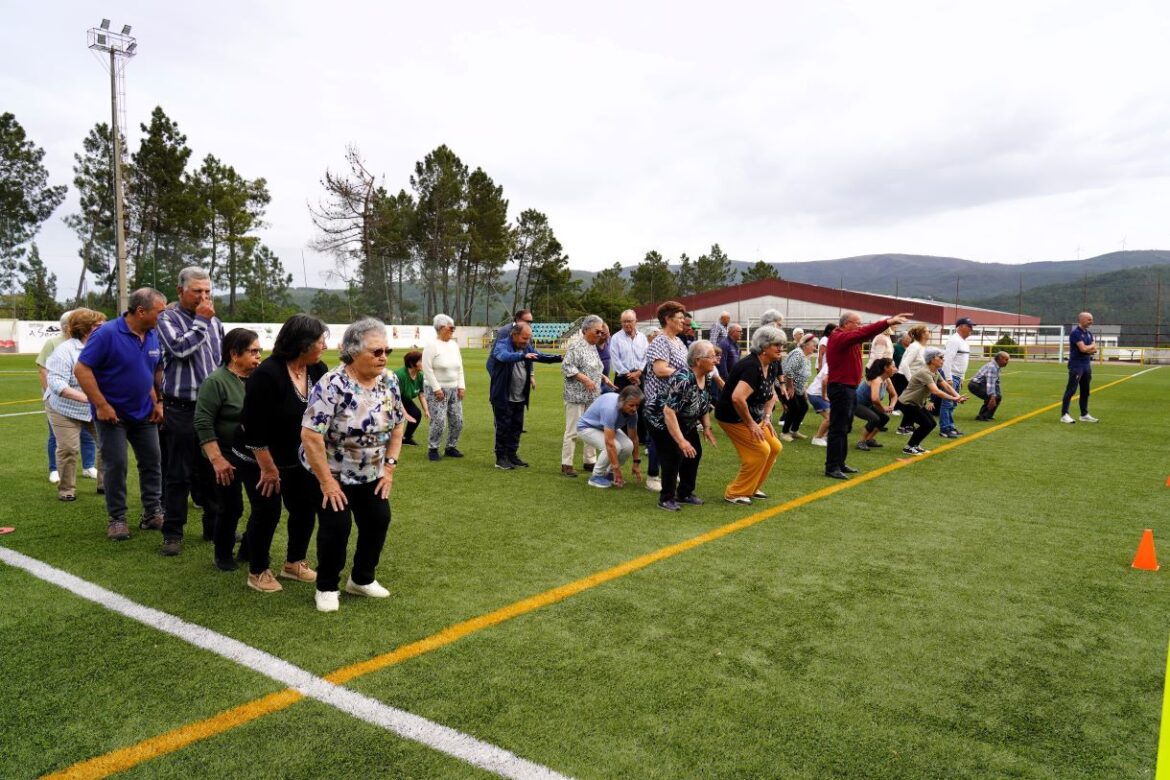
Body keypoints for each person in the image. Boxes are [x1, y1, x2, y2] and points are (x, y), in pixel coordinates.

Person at [302, 318, 406, 613]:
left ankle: (361, 579)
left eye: (387, 350)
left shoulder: (389, 381)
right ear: (352, 351)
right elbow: (310, 436)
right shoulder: (332, 384)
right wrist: (327, 482)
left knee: (378, 519)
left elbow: (398, 425)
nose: (383, 357)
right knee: (337, 526)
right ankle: (326, 586)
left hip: (371, 471)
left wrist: (389, 468)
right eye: (376, 351)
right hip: (330, 471)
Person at [234, 314, 328, 593]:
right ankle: (258, 570)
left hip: (297, 455)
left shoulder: (317, 369)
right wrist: (268, 468)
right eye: (320, 340)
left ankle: (294, 563)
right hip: (257, 454)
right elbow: (253, 428)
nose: (324, 345)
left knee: (304, 506)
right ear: (303, 343)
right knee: (268, 509)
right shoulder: (267, 374)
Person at [74, 288, 167, 541]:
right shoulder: (106, 333)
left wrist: (158, 401)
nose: (164, 316)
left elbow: (154, 370)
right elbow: (82, 369)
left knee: (152, 462)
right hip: (112, 416)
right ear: (141, 311)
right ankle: (117, 518)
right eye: (160, 311)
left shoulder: (153, 335)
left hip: (144, 413)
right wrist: (102, 405)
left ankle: (152, 513)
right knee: (116, 465)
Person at [155, 266, 225, 556]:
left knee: (213, 470)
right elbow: (179, 350)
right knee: (178, 473)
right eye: (197, 291)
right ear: (180, 290)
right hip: (181, 407)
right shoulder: (167, 318)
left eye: (207, 291)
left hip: (211, 409)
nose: (204, 296)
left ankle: (214, 527)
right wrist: (201, 321)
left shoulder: (216, 321)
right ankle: (173, 533)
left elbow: (220, 361)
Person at [194, 328, 261, 572]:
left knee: (263, 505)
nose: (258, 357)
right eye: (253, 352)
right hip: (225, 455)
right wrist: (217, 459)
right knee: (232, 507)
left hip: (256, 453)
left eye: (259, 351)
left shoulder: (258, 378)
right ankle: (223, 554)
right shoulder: (216, 382)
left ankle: (249, 549)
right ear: (234, 354)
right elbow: (203, 421)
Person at [823, 310, 913, 479]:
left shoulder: (845, 338)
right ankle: (832, 467)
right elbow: (864, 332)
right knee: (838, 429)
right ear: (846, 324)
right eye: (857, 323)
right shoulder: (839, 337)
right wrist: (887, 321)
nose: (860, 326)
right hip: (842, 389)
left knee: (844, 428)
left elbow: (862, 333)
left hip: (847, 389)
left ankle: (839, 463)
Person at [646, 340, 719, 511]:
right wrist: (681, 441)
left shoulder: (706, 378)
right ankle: (666, 498)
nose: (715, 360)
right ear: (698, 360)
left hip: (685, 420)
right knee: (673, 455)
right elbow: (669, 412)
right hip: (661, 420)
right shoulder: (683, 378)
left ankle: (685, 493)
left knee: (695, 452)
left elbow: (703, 403)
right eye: (712, 356)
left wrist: (707, 428)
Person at [715, 327, 784, 504]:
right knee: (760, 450)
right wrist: (752, 425)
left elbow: (771, 393)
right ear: (764, 347)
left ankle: (751, 488)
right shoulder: (751, 367)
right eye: (776, 345)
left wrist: (767, 418)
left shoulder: (773, 363)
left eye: (782, 345)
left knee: (774, 447)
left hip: (754, 415)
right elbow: (737, 398)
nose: (780, 348)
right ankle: (734, 493)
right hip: (732, 416)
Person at [44, 309, 106, 501]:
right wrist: (89, 397)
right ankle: (66, 490)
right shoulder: (64, 351)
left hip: (94, 407)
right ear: (87, 329)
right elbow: (56, 384)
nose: (105, 327)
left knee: (108, 445)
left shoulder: (105, 346)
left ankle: (105, 485)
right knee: (69, 448)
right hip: (63, 407)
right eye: (99, 325)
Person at [489, 321, 559, 470]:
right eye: (524, 338)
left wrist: (559, 358)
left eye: (528, 339)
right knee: (503, 427)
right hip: (503, 396)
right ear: (514, 335)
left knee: (516, 427)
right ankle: (500, 458)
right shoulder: (502, 344)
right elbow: (503, 356)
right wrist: (523, 356)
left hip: (519, 396)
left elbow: (539, 356)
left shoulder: (526, 347)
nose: (527, 342)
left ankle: (512, 455)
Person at [642, 301, 690, 492]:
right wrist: (685, 376)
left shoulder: (678, 341)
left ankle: (669, 472)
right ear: (667, 319)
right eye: (679, 319)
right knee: (659, 441)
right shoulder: (660, 341)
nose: (683, 322)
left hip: (674, 399)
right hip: (658, 401)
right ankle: (653, 475)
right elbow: (660, 369)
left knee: (673, 439)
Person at [560, 315, 614, 477]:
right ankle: (566, 463)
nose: (600, 334)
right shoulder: (576, 346)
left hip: (592, 395)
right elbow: (566, 367)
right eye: (597, 331)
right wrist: (585, 379)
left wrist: (604, 378)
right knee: (573, 430)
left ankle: (589, 460)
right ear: (586, 330)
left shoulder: (592, 346)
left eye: (601, 332)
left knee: (591, 428)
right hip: (576, 395)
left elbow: (595, 368)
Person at [899, 348, 967, 455]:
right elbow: (936, 391)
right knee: (926, 424)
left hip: (916, 403)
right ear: (931, 359)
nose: (943, 360)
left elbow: (946, 386)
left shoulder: (935, 372)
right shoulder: (924, 372)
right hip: (907, 403)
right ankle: (909, 447)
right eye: (940, 357)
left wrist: (958, 396)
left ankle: (915, 445)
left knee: (931, 424)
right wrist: (954, 398)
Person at [576, 385, 643, 489]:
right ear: (622, 401)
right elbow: (610, 444)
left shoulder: (633, 413)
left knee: (628, 445)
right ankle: (596, 476)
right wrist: (618, 470)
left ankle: (609, 474)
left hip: (604, 427)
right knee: (615, 446)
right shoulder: (610, 409)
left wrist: (636, 462)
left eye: (637, 405)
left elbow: (634, 438)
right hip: (586, 428)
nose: (634, 409)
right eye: (631, 405)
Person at [421, 314, 466, 460]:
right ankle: (433, 449)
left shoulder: (453, 345)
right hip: (436, 390)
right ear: (441, 328)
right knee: (439, 421)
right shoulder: (431, 345)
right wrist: (436, 388)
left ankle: (451, 447)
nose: (453, 330)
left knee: (458, 421)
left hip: (454, 389)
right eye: (450, 328)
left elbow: (460, 367)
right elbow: (427, 369)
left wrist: (461, 386)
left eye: (454, 328)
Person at [938, 317, 974, 439]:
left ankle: (950, 426)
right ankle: (945, 429)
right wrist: (948, 378)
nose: (971, 329)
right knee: (947, 403)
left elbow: (962, 362)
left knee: (953, 403)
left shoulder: (963, 342)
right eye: (969, 326)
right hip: (951, 375)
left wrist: (962, 377)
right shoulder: (954, 340)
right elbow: (947, 360)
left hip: (957, 376)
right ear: (961, 327)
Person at [1061, 312, 1098, 424]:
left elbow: (1094, 350)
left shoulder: (1089, 334)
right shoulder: (1075, 333)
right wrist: (1090, 347)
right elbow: (1083, 349)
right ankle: (1064, 414)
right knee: (1071, 390)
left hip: (1086, 364)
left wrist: (1089, 348)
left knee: (1085, 390)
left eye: (1091, 319)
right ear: (1081, 320)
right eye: (1089, 319)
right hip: (1076, 365)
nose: (1091, 321)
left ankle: (1084, 414)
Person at [780, 332, 818, 441]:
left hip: (797, 388)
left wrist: (803, 390)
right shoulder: (798, 354)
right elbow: (788, 371)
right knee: (794, 407)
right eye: (813, 345)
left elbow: (803, 375)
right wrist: (790, 387)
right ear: (806, 345)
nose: (815, 348)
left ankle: (794, 430)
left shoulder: (806, 356)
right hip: (786, 385)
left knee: (804, 406)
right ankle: (784, 432)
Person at [854, 358, 898, 451]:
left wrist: (891, 406)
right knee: (874, 418)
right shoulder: (876, 380)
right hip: (855, 404)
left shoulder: (887, 380)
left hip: (867, 404)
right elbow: (875, 399)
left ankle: (869, 439)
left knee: (884, 418)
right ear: (886, 368)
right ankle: (861, 442)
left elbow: (894, 395)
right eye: (893, 366)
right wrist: (883, 409)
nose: (896, 369)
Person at [894, 325, 930, 434]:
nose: (929, 333)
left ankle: (906, 426)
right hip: (904, 377)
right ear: (922, 334)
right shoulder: (915, 347)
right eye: (928, 331)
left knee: (913, 403)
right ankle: (905, 427)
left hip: (913, 379)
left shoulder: (922, 347)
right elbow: (904, 365)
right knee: (911, 404)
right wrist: (911, 381)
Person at [394, 351, 428, 446]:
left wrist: (426, 410)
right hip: (391, 400)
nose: (423, 363)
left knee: (416, 414)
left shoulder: (420, 375)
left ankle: (407, 438)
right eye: (421, 361)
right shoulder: (400, 376)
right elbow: (396, 398)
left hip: (405, 399)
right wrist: (404, 413)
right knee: (395, 419)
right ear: (412, 363)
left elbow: (421, 394)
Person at [969, 351, 1010, 421]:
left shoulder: (997, 366)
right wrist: (992, 396)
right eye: (1006, 360)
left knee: (998, 397)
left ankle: (988, 415)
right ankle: (982, 416)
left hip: (982, 384)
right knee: (991, 397)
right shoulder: (992, 367)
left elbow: (996, 382)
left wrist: (997, 395)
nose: (1007, 362)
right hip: (976, 385)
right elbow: (990, 383)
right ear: (1000, 358)